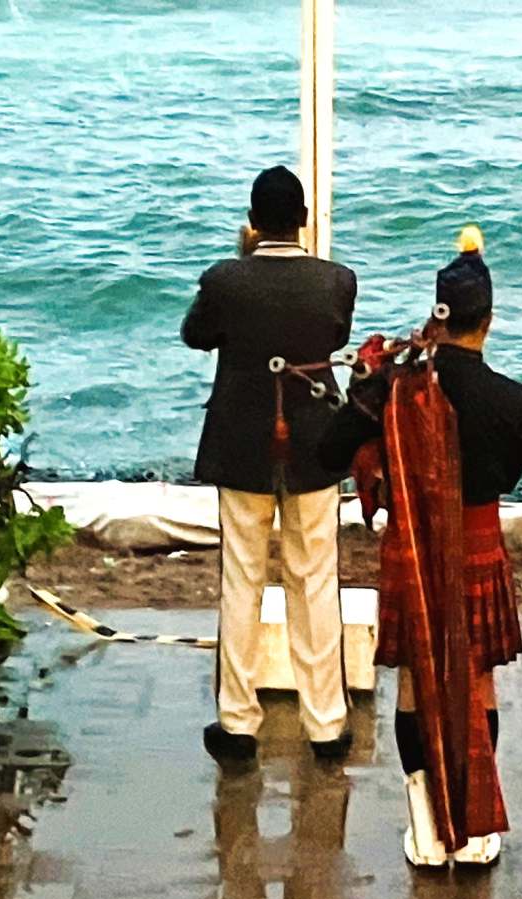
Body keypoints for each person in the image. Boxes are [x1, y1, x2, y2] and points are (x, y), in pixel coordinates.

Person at [318, 226, 522, 866]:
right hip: (477, 542)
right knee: (476, 683)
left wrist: (368, 405)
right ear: (489, 320)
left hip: (411, 548)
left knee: (416, 685)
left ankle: (425, 828)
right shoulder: (510, 403)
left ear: (438, 315)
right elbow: (506, 473)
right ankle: (476, 834)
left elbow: (330, 451)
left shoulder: (396, 387)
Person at [182, 165, 358, 763]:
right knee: (316, 581)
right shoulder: (337, 280)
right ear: (303, 220)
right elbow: (334, 340)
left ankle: (237, 723)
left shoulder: (225, 279)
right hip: (314, 444)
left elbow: (195, 335)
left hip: (241, 445)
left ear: (253, 223)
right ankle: (326, 724)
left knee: (241, 582)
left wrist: (240, 260)